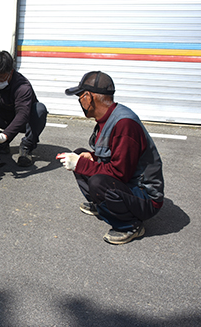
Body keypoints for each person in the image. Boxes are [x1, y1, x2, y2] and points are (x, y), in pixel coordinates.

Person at [57, 71, 165, 245]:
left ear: (88, 97)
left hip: (146, 198)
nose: (79, 102)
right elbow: (114, 156)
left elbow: (120, 173)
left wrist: (82, 165)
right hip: (129, 185)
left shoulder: (124, 124)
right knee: (79, 155)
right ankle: (103, 206)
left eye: (80, 96)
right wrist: (90, 157)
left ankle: (129, 225)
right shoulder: (107, 118)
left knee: (97, 181)